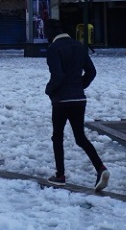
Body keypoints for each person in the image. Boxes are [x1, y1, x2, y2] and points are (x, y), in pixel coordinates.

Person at [43, 19, 108, 191]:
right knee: (80, 137)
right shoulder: (79, 46)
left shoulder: (53, 49)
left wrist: (49, 90)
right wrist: (80, 85)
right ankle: (100, 168)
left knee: (57, 136)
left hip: (61, 100)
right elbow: (92, 71)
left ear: (50, 32)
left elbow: (57, 76)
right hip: (79, 99)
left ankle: (60, 175)